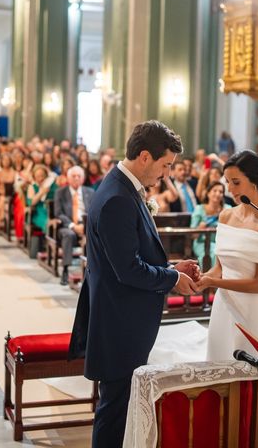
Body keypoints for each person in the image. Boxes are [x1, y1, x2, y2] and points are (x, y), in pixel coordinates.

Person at [68, 120, 200, 448]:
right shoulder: (117, 198)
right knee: (114, 412)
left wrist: (171, 267)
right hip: (118, 323)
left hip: (121, 318)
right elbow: (128, 270)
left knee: (121, 407)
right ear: (144, 157)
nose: (166, 173)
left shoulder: (121, 187)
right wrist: (173, 278)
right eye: (165, 165)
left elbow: (130, 255)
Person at [196, 150, 258, 361]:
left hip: (252, 309)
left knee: (246, 372)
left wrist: (214, 282)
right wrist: (202, 278)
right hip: (224, 304)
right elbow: (219, 267)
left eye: (235, 182)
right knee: (219, 361)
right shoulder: (226, 215)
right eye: (227, 182)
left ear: (254, 181)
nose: (229, 189)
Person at [53, 166, 95, 285]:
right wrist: (72, 225)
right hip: (67, 226)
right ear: (68, 178)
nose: (76, 178)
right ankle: (65, 270)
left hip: (85, 225)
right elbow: (58, 213)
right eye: (73, 176)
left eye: (79, 176)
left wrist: (85, 225)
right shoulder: (60, 192)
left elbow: (94, 211)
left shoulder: (90, 192)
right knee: (69, 235)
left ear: (83, 178)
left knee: (94, 237)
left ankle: (90, 272)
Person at [190, 181, 231, 268]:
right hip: (202, 242)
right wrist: (200, 228)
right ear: (208, 193)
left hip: (222, 242)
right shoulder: (199, 209)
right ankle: (209, 278)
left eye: (221, 192)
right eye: (215, 191)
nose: (218, 194)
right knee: (214, 252)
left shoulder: (227, 209)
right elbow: (193, 235)